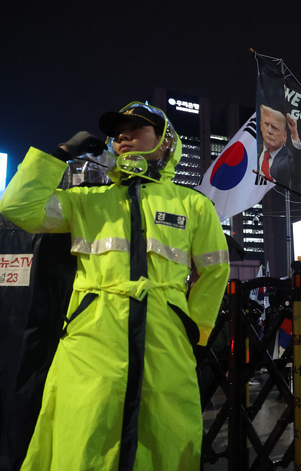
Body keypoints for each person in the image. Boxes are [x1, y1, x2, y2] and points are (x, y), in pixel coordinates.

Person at [0, 102, 230, 470]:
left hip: (166, 340)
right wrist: (60, 154)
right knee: (85, 429)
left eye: (136, 128)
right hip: (90, 340)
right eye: (118, 131)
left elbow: (215, 271)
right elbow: (18, 208)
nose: (123, 135)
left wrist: (194, 330)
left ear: (165, 141)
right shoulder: (85, 200)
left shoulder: (193, 205)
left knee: (165, 433)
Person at [258, 104, 301, 195]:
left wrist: (294, 133)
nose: (269, 131)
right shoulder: (255, 151)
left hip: (277, 200)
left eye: (275, 128)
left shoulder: (287, 157)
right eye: (266, 124)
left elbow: (298, 175)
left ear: (284, 136)